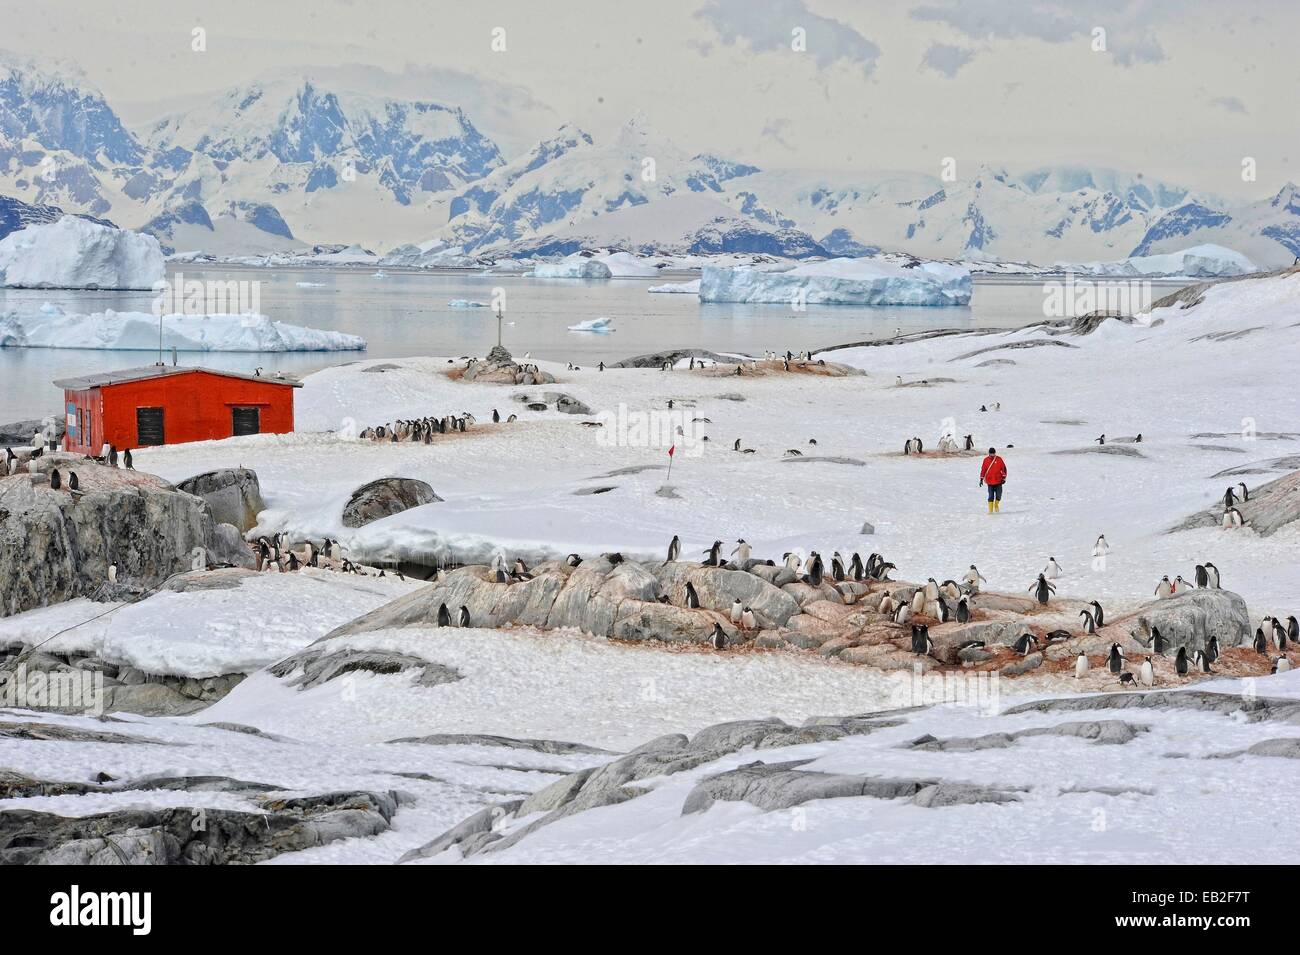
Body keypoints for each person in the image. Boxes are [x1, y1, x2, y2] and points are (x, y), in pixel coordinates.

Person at [979, 446, 1007, 514]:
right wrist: (981, 479)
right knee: (990, 496)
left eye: (993, 454)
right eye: (991, 454)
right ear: (989, 453)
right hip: (990, 481)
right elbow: (983, 469)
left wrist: (1004, 478)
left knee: (999, 496)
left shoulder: (999, 459)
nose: (992, 455)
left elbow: (1004, 469)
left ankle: (996, 504)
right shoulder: (985, 460)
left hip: (998, 481)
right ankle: (990, 511)